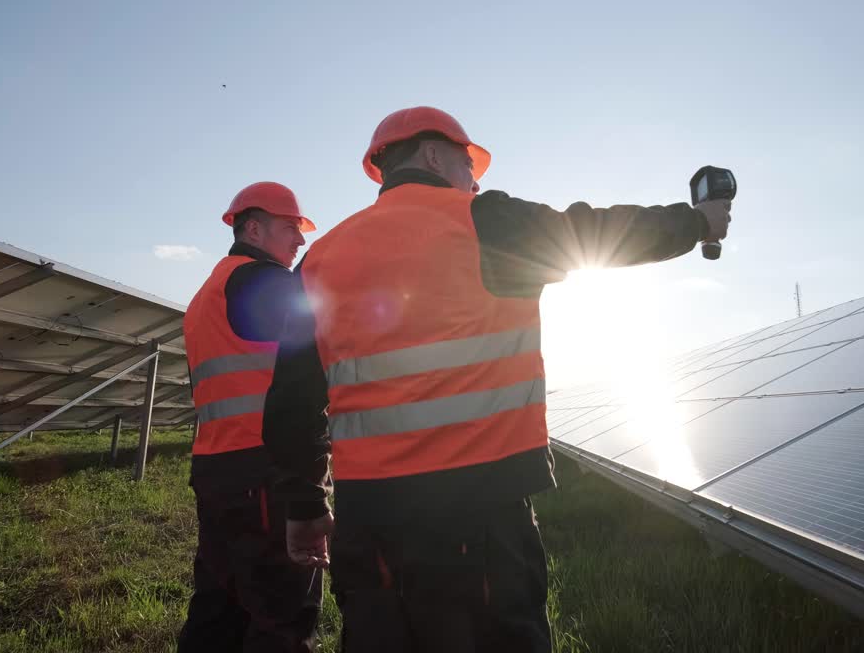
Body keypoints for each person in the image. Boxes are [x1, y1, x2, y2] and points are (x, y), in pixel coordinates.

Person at [262, 107, 732, 653]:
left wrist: (304, 507)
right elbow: (596, 232)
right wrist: (697, 222)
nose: (475, 178)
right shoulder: (484, 220)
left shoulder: (320, 259)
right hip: (479, 519)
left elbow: (291, 404)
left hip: (370, 523)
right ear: (433, 154)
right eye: (467, 163)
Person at [177, 182, 323, 653]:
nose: (300, 241)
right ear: (254, 228)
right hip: (265, 469)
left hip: (217, 468)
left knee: (220, 608)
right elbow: (331, 328)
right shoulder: (261, 282)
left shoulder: (211, 290)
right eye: (290, 228)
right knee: (280, 614)